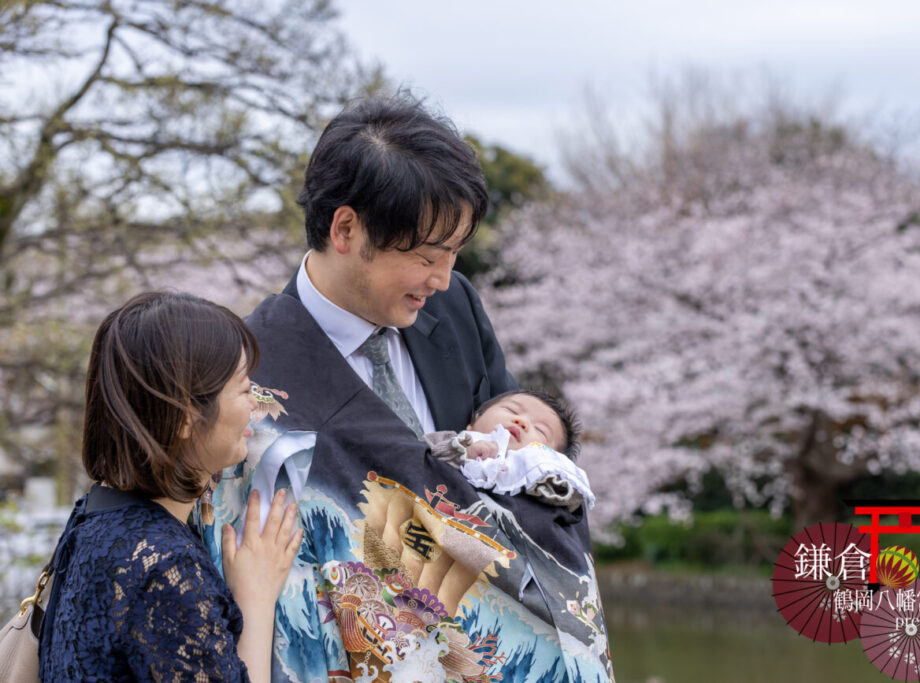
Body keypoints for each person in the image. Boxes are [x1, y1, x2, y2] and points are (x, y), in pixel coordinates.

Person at [203, 95, 614, 682]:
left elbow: (521, 476)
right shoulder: (251, 371)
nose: (443, 278)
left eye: (454, 254)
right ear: (346, 228)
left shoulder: (455, 312)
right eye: (426, 255)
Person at [39, 292, 302, 683]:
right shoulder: (166, 569)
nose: (256, 404)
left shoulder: (94, 513)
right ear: (185, 416)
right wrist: (257, 598)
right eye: (245, 388)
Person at [425, 390, 596, 512]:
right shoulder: (453, 441)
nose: (521, 421)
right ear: (476, 418)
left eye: (541, 430)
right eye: (511, 410)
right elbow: (421, 459)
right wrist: (462, 454)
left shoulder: (541, 478)